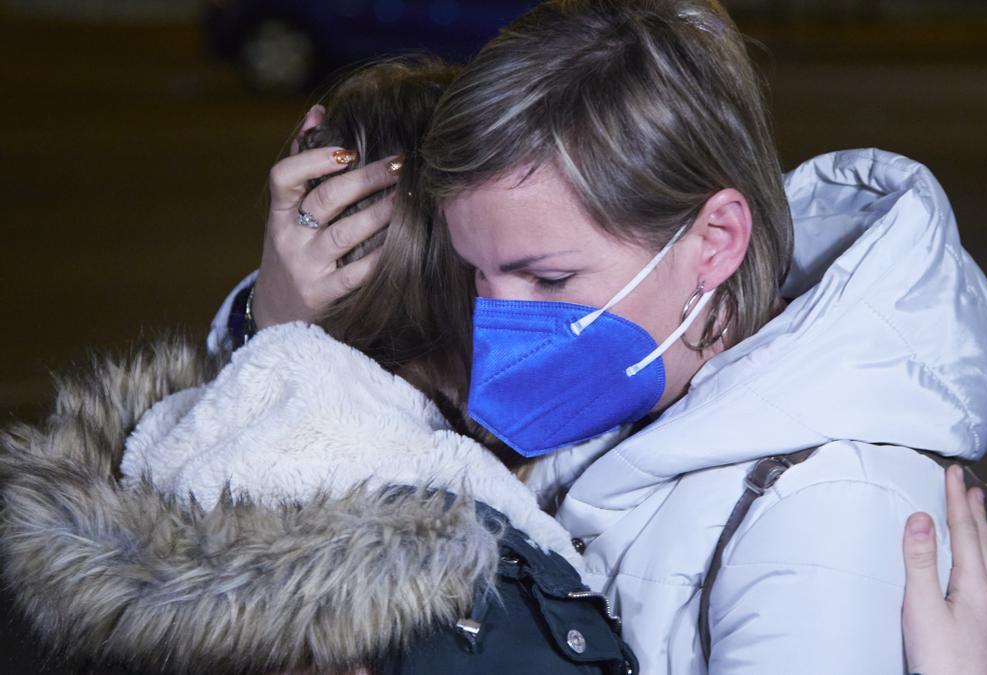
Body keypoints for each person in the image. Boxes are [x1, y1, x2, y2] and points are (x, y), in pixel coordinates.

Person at [414, 1, 987, 672]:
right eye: (478, 273)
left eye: (550, 279)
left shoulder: (822, 510)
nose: (497, 323)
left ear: (715, 242)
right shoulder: (633, 401)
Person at [0, 60, 636, 675]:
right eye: (540, 270)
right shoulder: (480, 577)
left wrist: (268, 325)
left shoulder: (120, 493)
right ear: (466, 277)